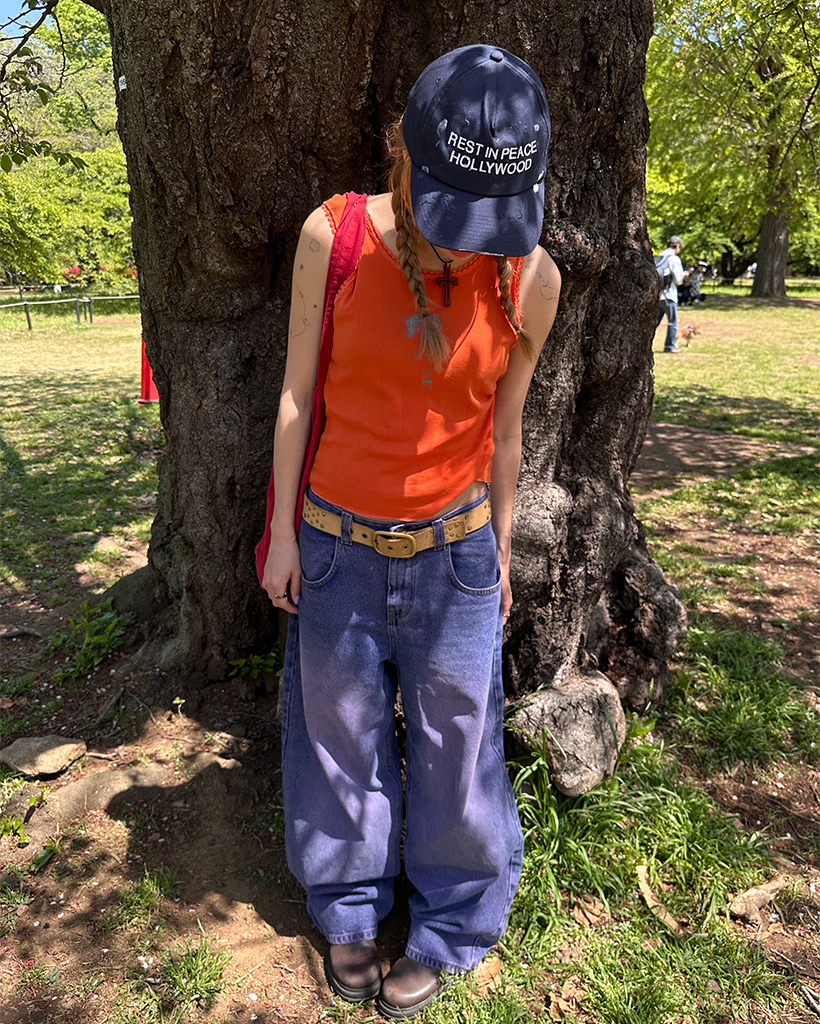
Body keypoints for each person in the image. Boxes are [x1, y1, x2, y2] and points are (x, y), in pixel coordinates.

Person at [261, 43, 560, 1020]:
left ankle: (454, 921)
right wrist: (283, 533)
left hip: (456, 556)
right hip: (335, 547)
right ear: (407, 157)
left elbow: (506, 432)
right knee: (338, 738)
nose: (469, 248)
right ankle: (348, 904)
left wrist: (499, 551)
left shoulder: (531, 276)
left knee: (458, 748)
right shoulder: (335, 235)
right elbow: (296, 396)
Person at [656, 234, 687, 353]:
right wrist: (684, 275)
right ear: (677, 246)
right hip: (670, 295)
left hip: (658, 294)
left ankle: (641, 343)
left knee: (654, 322)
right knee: (672, 322)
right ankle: (669, 346)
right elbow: (678, 280)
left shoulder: (660, 256)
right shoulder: (674, 259)